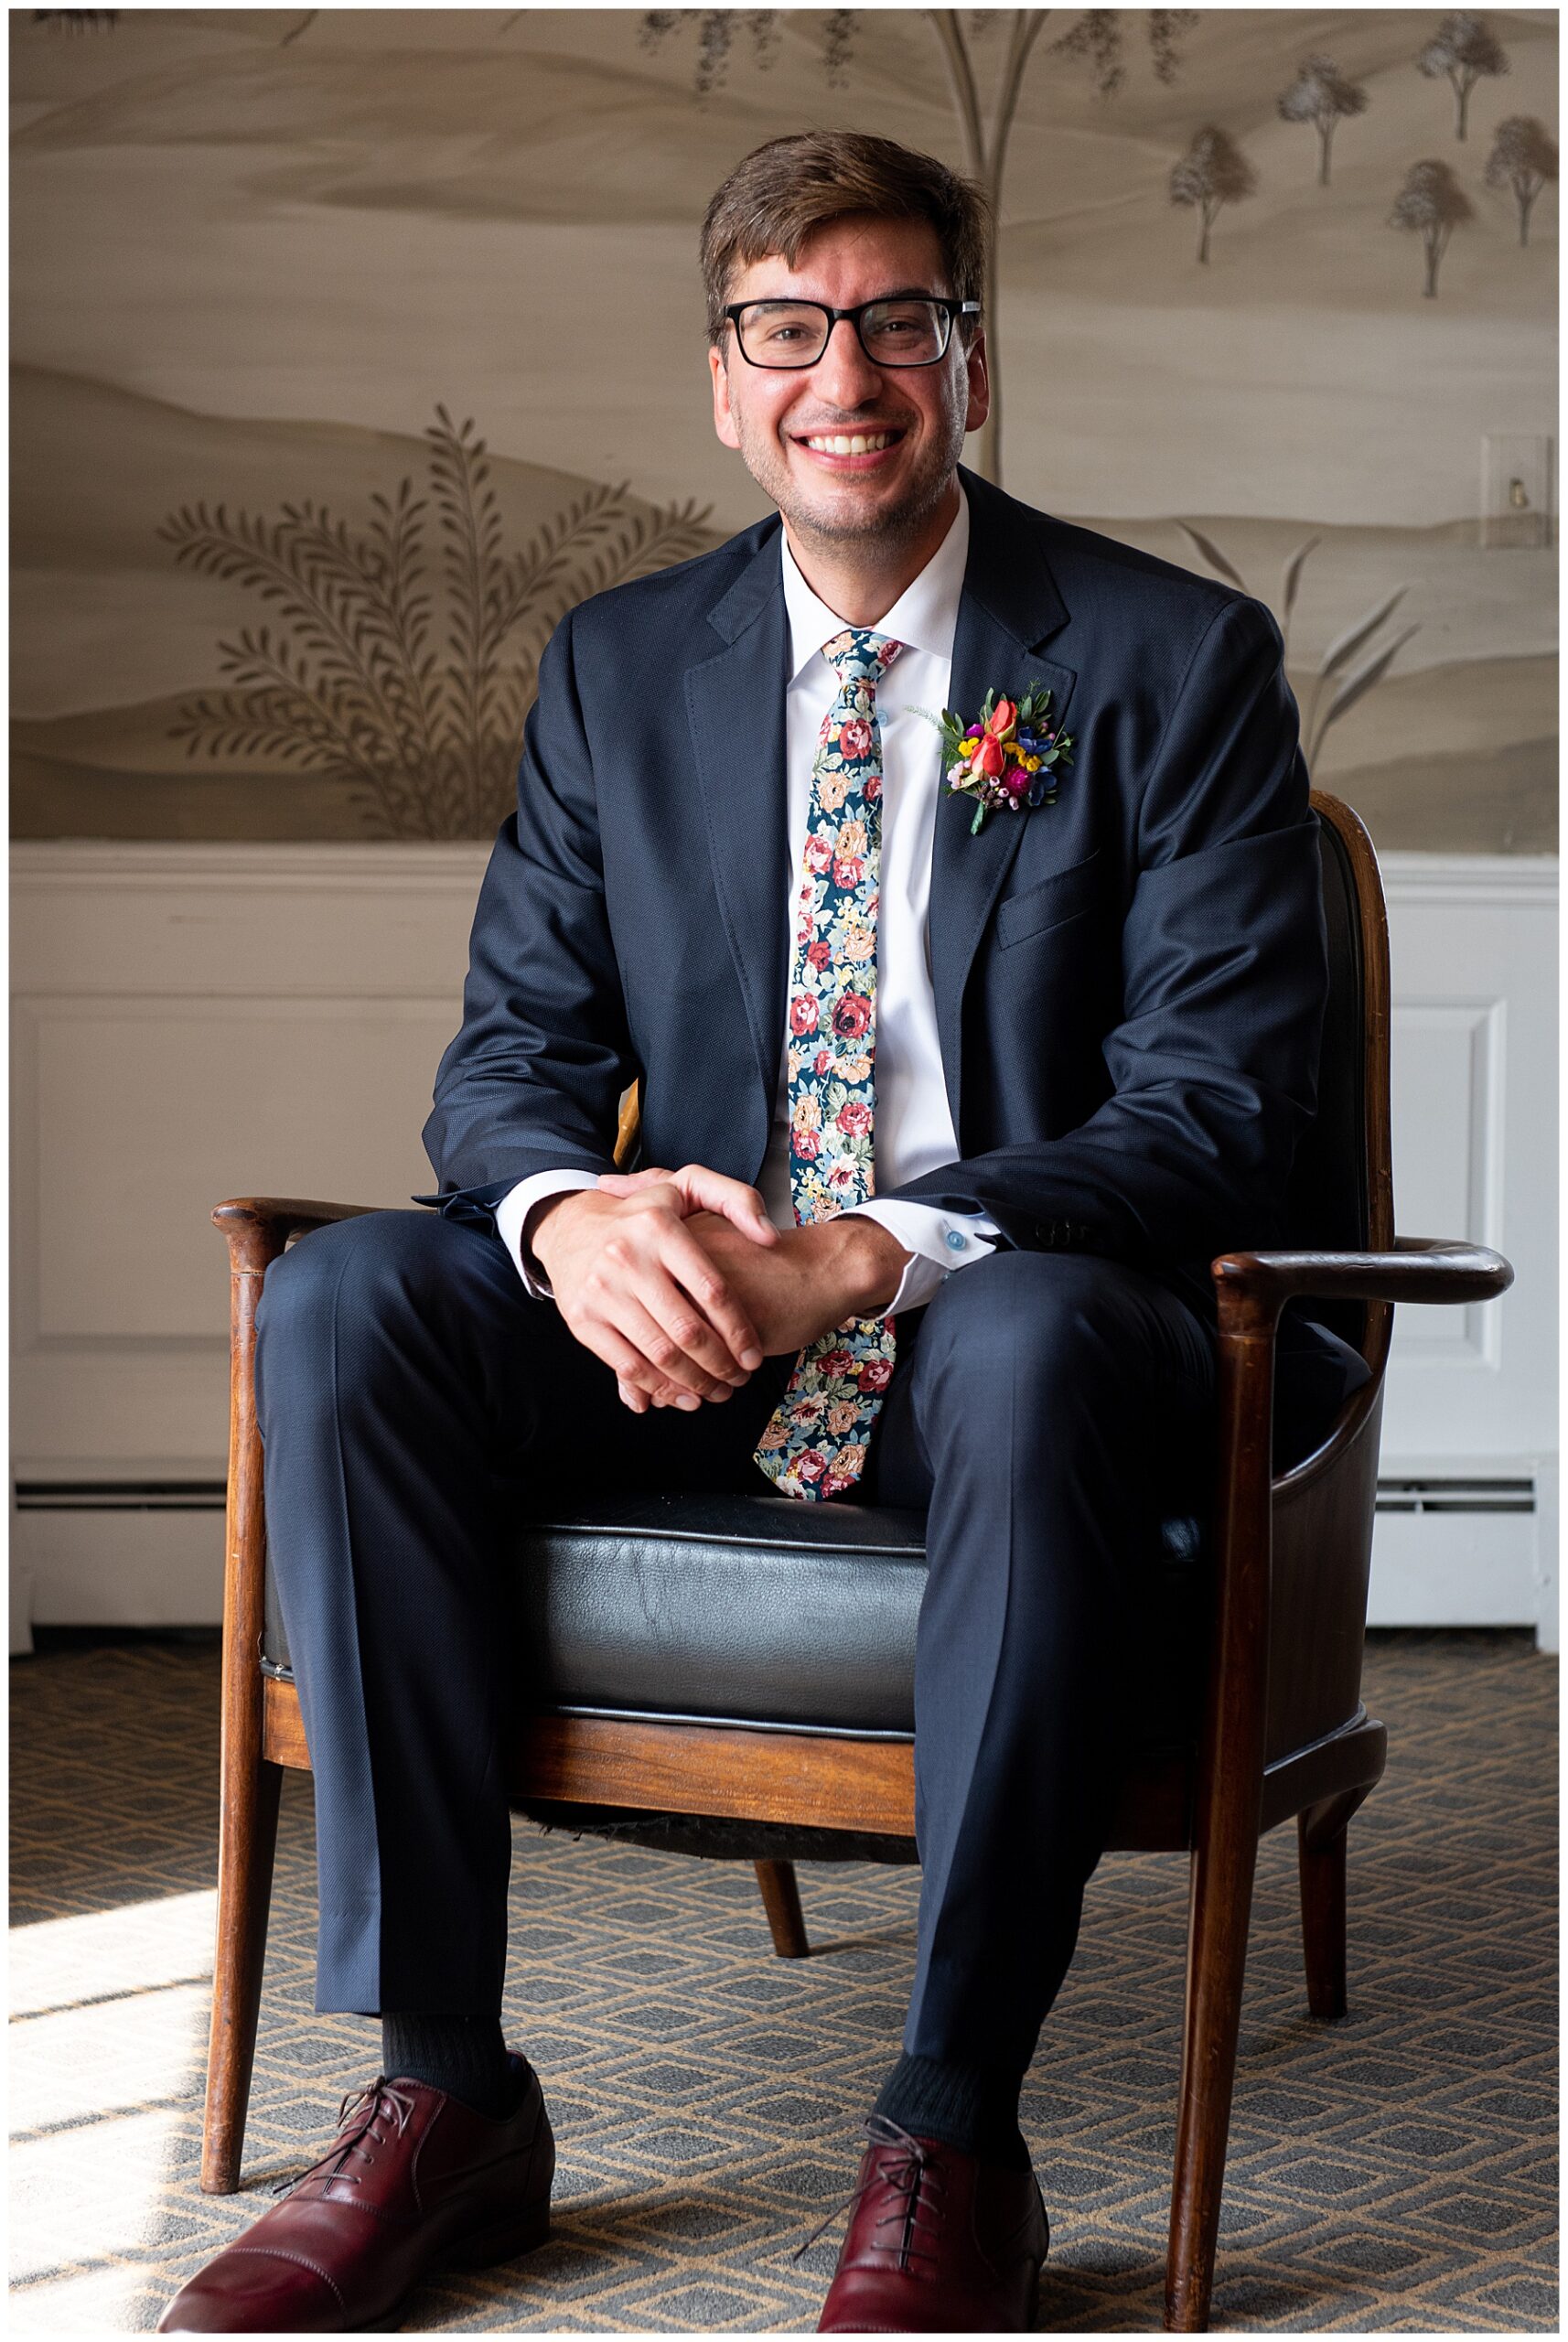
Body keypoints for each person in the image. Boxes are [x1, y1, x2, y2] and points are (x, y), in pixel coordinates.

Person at [160, 130, 1369, 2336]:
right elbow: (505, 1059)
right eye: (786, 328)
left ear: (967, 364)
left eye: (897, 319)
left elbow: (1210, 1114)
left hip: (1006, 1337)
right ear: (726, 382)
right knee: (352, 1294)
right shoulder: (620, 665)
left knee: (1016, 1345)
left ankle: (945, 2123)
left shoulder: (1167, 659)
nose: (846, 372)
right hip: (686, 1321)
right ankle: (443, 2089)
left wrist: (877, 1249)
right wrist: (571, 1214)